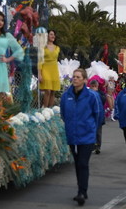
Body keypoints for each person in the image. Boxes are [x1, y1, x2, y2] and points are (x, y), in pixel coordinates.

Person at [60, 68, 101, 206]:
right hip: (73, 136)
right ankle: (81, 189)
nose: (75, 79)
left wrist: (91, 130)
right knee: (78, 164)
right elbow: (63, 114)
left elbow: (97, 114)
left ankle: (82, 193)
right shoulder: (66, 96)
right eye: (74, 76)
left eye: (78, 77)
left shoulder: (91, 96)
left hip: (87, 136)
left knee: (83, 163)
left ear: (84, 80)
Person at [38, 30, 60, 107]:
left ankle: (50, 110)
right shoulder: (42, 48)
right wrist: (39, 74)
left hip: (54, 70)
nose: (53, 36)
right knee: (47, 90)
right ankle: (44, 109)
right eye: (51, 34)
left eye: (54, 34)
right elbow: (40, 61)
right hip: (45, 69)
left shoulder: (57, 48)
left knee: (53, 91)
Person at [88, 79, 105, 154]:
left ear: (97, 86)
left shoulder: (100, 93)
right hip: (91, 116)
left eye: (95, 86)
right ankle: (92, 146)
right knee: (91, 132)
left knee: (98, 132)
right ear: (90, 86)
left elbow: (103, 100)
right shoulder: (88, 93)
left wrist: (97, 93)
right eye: (93, 86)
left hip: (99, 116)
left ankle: (98, 147)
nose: (94, 87)